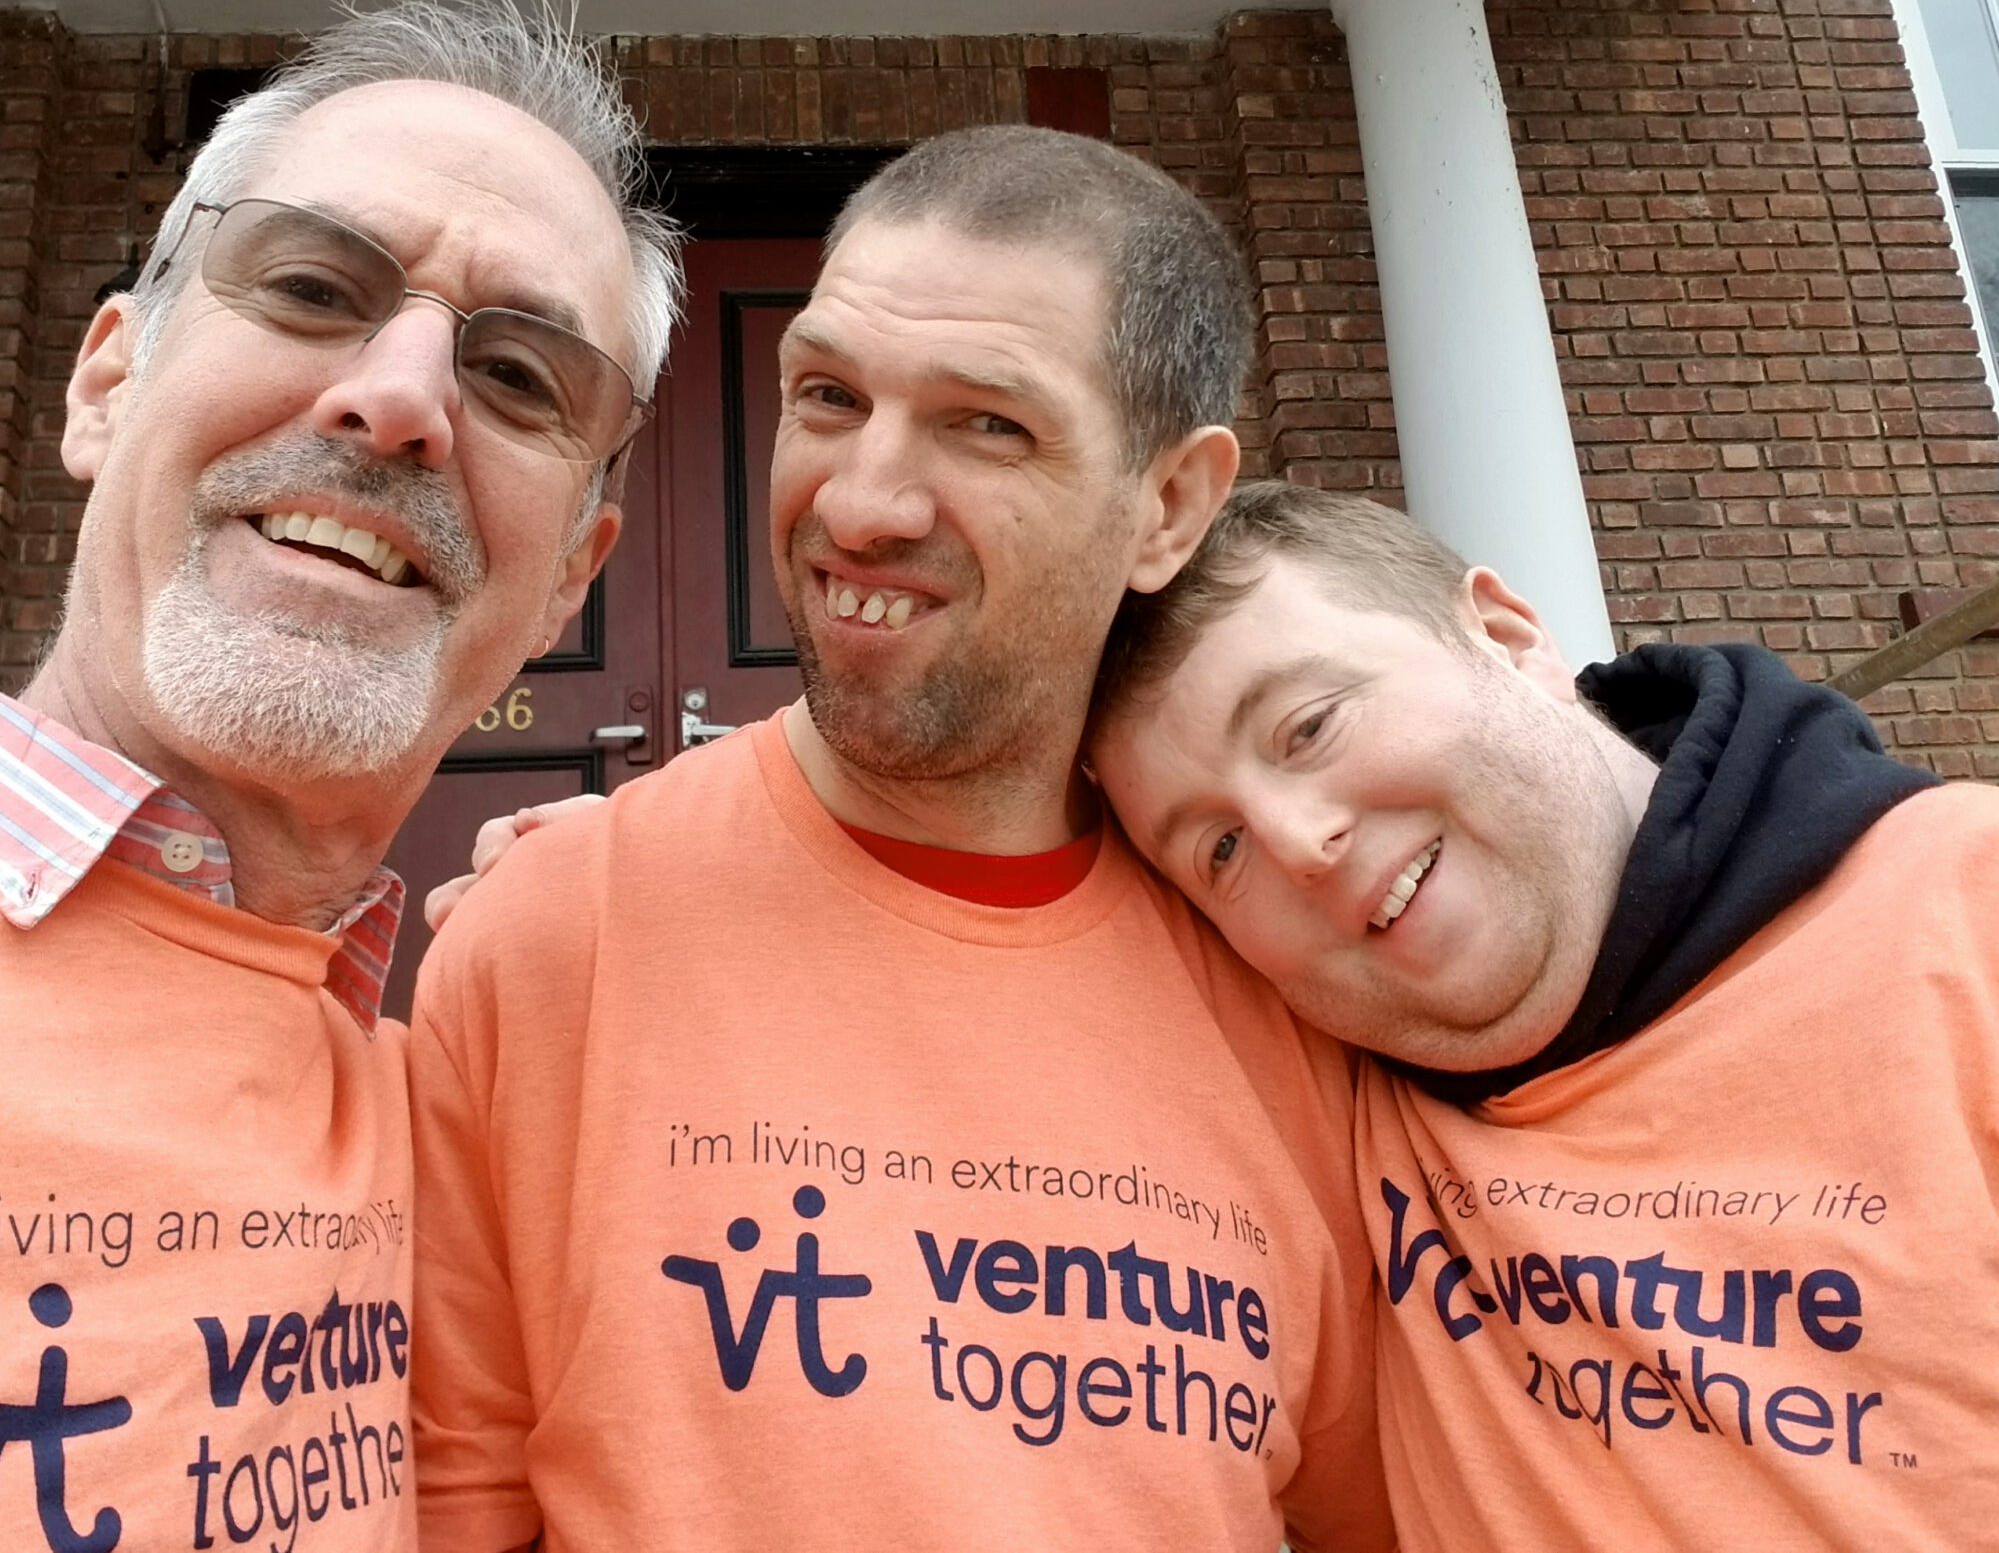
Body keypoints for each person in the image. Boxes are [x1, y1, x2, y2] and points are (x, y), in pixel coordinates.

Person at [0, 0, 676, 1551]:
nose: (401, 400)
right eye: (312, 285)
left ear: (570, 579)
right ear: (103, 385)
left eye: (518, 379)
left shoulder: (436, 1122)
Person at [409, 128, 1390, 1552]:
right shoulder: (551, 936)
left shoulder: (1298, 991)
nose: (860, 505)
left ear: (1168, 504)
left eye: (988, 424)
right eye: (827, 395)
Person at [1089, 478, 1999, 1548]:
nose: (1297, 844)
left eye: (1308, 726)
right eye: (1218, 849)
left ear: (1507, 636)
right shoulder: (1325, 1124)